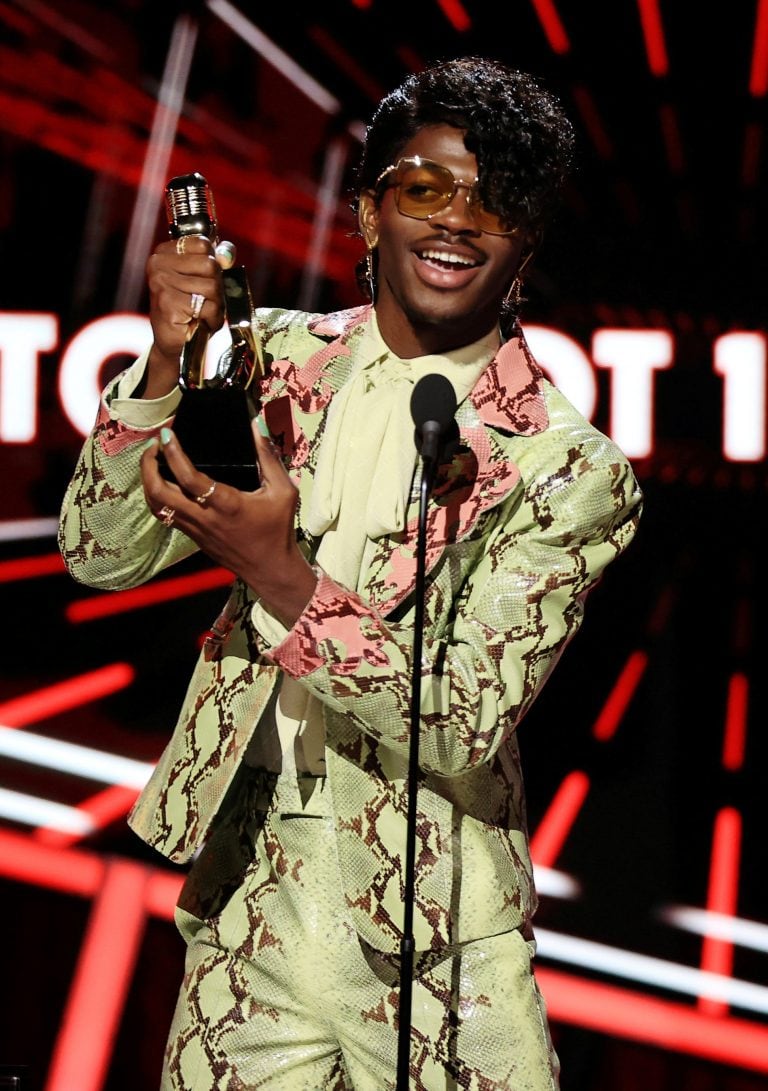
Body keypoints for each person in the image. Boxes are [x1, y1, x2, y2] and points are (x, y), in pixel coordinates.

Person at [59, 56, 642, 1091]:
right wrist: (163, 365)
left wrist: (279, 572)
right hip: (252, 891)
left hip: (440, 932)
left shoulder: (570, 467)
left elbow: (461, 717)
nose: (458, 219)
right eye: (425, 187)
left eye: (496, 199)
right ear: (371, 214)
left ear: (527, 247)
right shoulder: (271, 363)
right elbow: (101, 553)